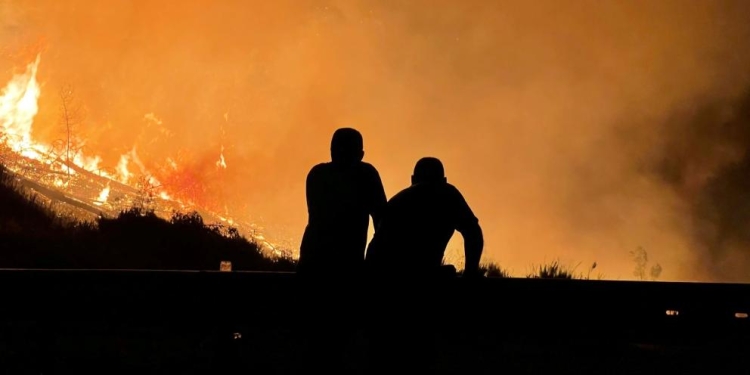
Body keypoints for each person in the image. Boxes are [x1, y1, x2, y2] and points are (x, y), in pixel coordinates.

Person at [364, 156, 484, 278]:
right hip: (406, 272)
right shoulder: (448, 194)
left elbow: (376, 247)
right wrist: (471, 272)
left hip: (381, 271)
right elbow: (473, 232)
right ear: (444, 180)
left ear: (412, 179)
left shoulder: (398, 200)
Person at [296, 127, 387, 277]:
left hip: (312, 263)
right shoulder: (366, 174)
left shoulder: (317, 174)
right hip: (348, 265)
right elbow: (382, 221)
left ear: (331, 151)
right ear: (361, 155)